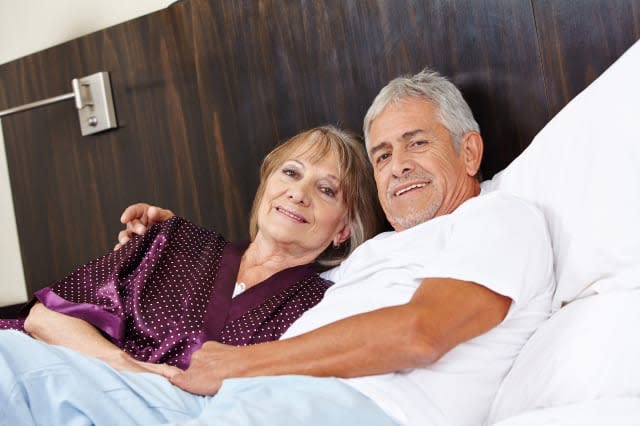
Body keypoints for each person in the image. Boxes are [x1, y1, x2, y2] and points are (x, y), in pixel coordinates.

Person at [0, 69, 554, 426]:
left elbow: (419, 332)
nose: (398, 164)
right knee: (11, 363)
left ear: (471, 150)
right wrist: (168, 241)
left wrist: (239, 366)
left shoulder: (498, 218)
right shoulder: (370, 260)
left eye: (417, 143)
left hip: (337, 409)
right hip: (223, 403)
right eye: (382, 154)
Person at [0, 125, 383, 373]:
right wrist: (131, 370)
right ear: (266, 185)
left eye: (326, 189)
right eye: (291, 172)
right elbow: (45, 320)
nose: (298, 193)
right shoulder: (172, 240)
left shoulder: (324, 308)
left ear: (343, 229)